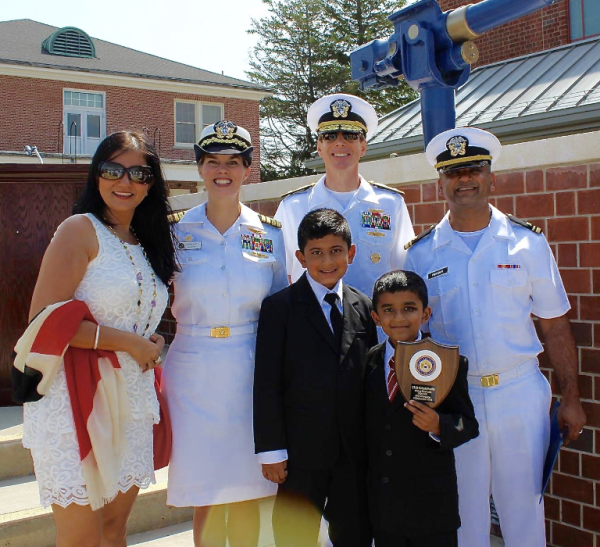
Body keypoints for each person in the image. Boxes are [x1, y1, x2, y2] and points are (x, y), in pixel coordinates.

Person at [404, 127, 587, 547]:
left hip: (519, 393)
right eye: (453, 172)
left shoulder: (527, 244)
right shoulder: (421, 253)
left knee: (524, 513)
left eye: (473, 169)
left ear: (492, 178)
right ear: (441, 182)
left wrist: (571, 394)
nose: (463, 179)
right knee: (463, 519)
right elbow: (418, 338)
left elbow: (555, 323)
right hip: (457, 399)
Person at [22, 130, 178, 547]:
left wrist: (151, 342)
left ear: (151, 184)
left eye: (138, 173)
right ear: (96, 176)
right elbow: (44, 318)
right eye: (113, 170)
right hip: (76, 400)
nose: (124, 182)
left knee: (113, 531)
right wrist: (130, 344)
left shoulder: (145, 243)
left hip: (132, 401)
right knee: (81, 538)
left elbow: (140, 317)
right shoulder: (79, 230)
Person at [162, 120, 288, 547]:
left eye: (233, 162)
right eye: (213, 161)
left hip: (251, 367)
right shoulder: (173, 232)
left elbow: (280, 307)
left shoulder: (269, 235)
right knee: (208, 491)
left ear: (248, 170)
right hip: (193, 370)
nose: (223, 170)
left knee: (250, 490)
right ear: (199, 167)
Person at [254, 208, 378, 547]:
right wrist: (271, 451)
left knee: (353, 534)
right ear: (300, 256)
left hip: (352, 453)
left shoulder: (364, 307)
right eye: (316, 253)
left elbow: (369, 378)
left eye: (336, 251)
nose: (327, 261)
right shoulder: (279, 308)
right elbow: (266, 383)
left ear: (351, 253)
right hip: (299, 454)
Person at [365, 270, 479, 547]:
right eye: (389, 310)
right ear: (376, 318)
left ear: (425, 314)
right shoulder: (368, 362)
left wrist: (440, 426)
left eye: (409, 309)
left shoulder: (449, 363)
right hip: (384, 507)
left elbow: (469, 425)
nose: (399, 318)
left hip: (432, 509)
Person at [275, 93, 414, 299]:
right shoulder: (292, 206)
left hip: (373, 327)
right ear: (319, 147)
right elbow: (279, 274)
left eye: (349, 135)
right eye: (330, 136)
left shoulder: (390, 204)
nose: (339, 143)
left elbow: (405, 272)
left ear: (363, 146)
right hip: (312, 327)